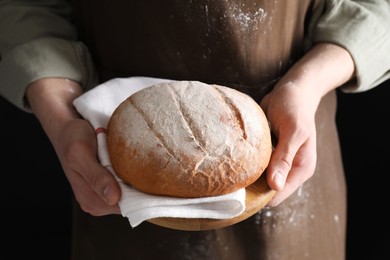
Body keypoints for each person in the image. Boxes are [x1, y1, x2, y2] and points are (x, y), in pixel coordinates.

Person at [1, 0, 389, 259]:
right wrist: (63, 119)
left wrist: (304, 86)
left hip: (285, 141)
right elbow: (26, 7)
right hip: (114, 164)